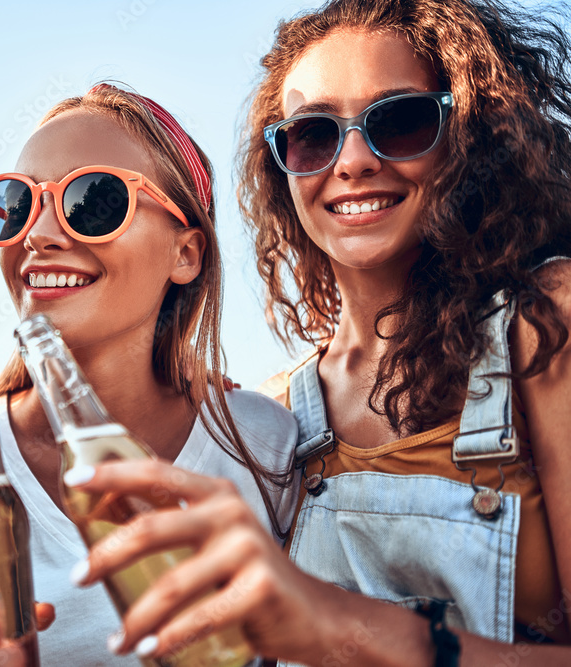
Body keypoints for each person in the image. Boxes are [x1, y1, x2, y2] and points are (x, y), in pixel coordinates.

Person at [64, 0, 571, 665]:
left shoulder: (545, 321)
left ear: (471, 137)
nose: (354, 159)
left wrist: (343, 626)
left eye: (402, 121)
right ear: (283, 167)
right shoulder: (274, 419)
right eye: (313, 135)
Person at [0, 83, 301, 665]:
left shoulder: (265, 447)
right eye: (17, 204)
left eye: (93, 200)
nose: (38, 236)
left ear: (186, 254)